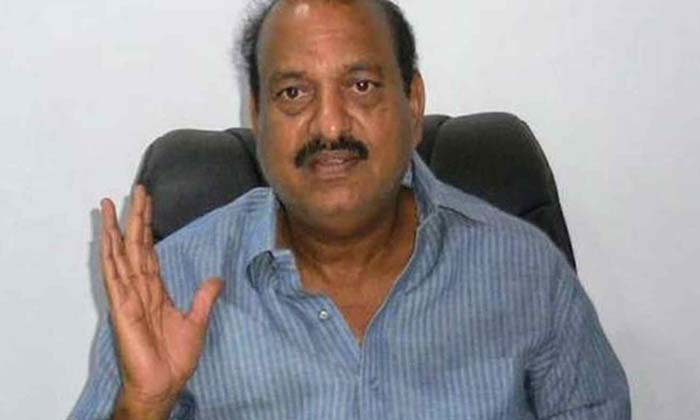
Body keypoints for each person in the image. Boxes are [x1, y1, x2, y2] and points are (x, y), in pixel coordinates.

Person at [72, 0, 630, 418]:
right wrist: (143, 406)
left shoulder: (526, 272)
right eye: (294, 93)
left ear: (413, 104)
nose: (331, 125)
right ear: (257, 117)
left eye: (361, 86)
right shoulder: (170, 286)